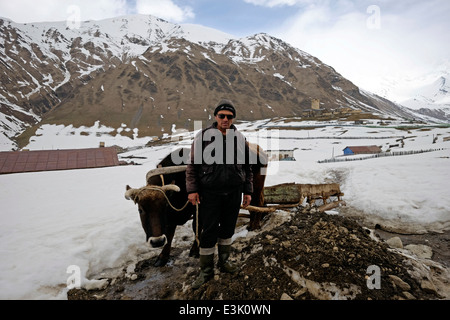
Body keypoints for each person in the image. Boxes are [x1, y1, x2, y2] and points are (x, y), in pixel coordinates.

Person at [186, 99, 253, 289]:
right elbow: (192, 166)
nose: (225, 119)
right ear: (215, 116)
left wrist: (247, 190)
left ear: (233, 119)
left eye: (229, 116)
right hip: (209, 193)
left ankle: (224, 262)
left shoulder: (240, 138)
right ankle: (206, 271)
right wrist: (192, 190)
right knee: (208, 231)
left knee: (228, 228)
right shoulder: (204, 136)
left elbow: (247, 167)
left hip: (233, 191)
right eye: (222, 116)